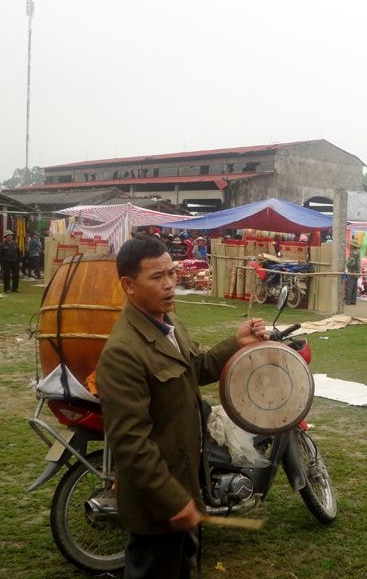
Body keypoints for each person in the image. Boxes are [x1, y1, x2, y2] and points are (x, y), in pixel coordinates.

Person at [95, 236, 269, 578]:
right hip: (158, 507)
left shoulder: (169, 323)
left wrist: (236, 343)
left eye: (171, 273)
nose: (170, 284)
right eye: (157, 277)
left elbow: (196, 368)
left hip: (187, 484)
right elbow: (131, 445)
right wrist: (174, 499)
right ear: (128, 286)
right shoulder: (123, 353)